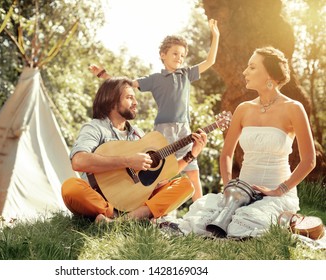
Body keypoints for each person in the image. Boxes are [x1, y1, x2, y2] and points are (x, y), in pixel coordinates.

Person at [171, 46, 316, 238]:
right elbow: (227, 154)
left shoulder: (294, 108)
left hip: (276, 194)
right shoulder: (243, 109)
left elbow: (309, 160)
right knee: (202, 220)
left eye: (252, 67)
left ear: (269, 75)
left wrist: (279, 190)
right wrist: (228, 188)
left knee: (241, 225)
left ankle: (287, 217)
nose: (245, 72)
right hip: (239, 192)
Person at [89, 19, 220, 202]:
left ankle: (200, 210)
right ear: (163, 55)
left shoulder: (187, 74)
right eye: (175, 53)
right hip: (163, 130)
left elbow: (210, 60)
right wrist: (104, 75)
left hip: (183, 128)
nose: (179, 58)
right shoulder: (155, 79)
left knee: (192, 167)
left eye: (182, 55)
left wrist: (216, 36)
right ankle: (151, 206)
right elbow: (125, 85)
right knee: (160, 172)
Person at [61, 77, 207, 223]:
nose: (136, 103)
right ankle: (118, 215)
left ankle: (122, 221)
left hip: (135, 201)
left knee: (186, 185)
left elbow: (161, 176)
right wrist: (128, 161)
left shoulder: (138, 135)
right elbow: (78, 161)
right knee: (70, 188)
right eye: (130, 98)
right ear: (112, 100)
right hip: (100, 198)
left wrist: (191, 154)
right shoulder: (95, 128)